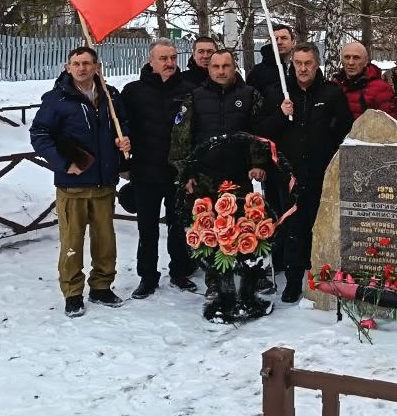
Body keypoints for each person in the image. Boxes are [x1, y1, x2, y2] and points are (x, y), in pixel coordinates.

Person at [30, 46, 131, 318]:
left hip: (104, 184)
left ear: (97, 67)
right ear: (67, 67)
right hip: (72, 185)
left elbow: (124, 125)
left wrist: (124, 140)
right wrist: (64, 163)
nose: (82, 68)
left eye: (87, 63)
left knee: (105, 242)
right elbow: (39, 135)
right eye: (76, 63)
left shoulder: (110, 97)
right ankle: (72, 292)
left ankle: (101, 286)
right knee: (72, 243)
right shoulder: (57, 100)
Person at [257, 43, 353, 302]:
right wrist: (280, 113)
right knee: (293, 229)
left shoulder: (331, 93)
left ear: (316, 64)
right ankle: (293, 281)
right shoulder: (278, 93)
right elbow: (262, 132)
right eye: (298, 63)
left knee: (320, 227)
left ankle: (321, 277)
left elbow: (345, 128)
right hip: (289, 176)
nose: (302, 68)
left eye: (308, 63)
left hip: (322, 173)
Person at [171, 49, 263, 299]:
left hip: (238, 175)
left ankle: (246, 274)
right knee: (210, 230)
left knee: (241, 226)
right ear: (208, 69)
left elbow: (259, 133)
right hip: (205, 176)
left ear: (234, 68)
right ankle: (214, 279)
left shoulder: (250, 95)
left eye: (226, 66)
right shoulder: (194, 98)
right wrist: (185, 172)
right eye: (216, 67)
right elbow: (181, 139)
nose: (221, 71)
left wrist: (258, 162)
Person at [120, 38, 197, 299]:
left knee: (178, 226)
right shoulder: (133, 91)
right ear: (150, 61)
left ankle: (179, 271)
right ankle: (147, 276)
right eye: (163, 59)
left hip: (177, 173)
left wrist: (192, 170)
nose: (170, 63)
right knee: (147, 228)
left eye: (173, 58)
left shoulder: (189, 89)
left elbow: (196, 132)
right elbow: (122, 127)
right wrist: (124, 163)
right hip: (145, 171)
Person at [331, 41, 397, 120]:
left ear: (365, 61)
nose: (351, 62)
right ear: (341, 61)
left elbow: (389, 125)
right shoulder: (334, 86)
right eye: (347, 57)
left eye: (356, 58)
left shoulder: (381, 89)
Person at [248, 24, 296, 99]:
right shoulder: (258, 72)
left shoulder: (303, 68)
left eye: (284, 38)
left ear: (293, 42)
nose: (279, 42)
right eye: (275, 39)